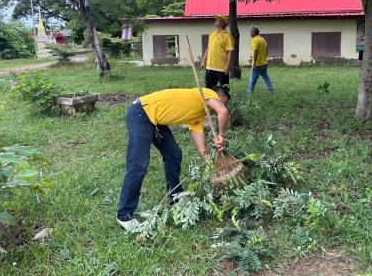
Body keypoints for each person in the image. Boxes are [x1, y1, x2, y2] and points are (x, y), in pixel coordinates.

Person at [116, 86, 230, 231]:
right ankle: (124, 215)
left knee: (173, 154)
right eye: (220, 102)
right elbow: (223, 112)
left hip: (156, 121)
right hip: (141, 113)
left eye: (223, 104)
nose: (219, 107)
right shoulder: (206, 92)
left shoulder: (199, 114)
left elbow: (198, 134)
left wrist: (207, 158)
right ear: (215, 95)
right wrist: (221, 135)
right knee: (138, 164)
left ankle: (175, 197)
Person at [201, 15, 234, 90]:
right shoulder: (212, 34)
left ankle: (224, 101)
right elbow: (208, 48)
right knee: (209, 89)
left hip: (221, 67)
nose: (216, 21)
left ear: (223, 23)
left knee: (224, 89)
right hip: (210, 65)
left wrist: (228, 65)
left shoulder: (228, 36)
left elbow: (230, 51)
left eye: (218, 20)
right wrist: (203, 61)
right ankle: (210, 102)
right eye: (216, 20)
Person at [248, 26, 274, 93]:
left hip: (258, 64)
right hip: (264, 63)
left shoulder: (254, 40)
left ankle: (250, 92)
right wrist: (265, 58)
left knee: (252, 79)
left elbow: (255, 52)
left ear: (254, 32)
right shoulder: (262, 39)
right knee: (265, 77)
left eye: (250, 32)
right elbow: (266, 50)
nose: (250, 33)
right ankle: (271, 90)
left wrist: (254, 63)